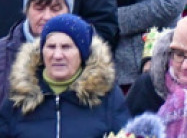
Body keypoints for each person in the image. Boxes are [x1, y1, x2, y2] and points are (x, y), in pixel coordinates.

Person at [0, 13, 128, 138]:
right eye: (51, 47)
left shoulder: (107, 97)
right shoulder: (19, 96)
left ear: (82, 53)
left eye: (66, 47)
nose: (57, 55)